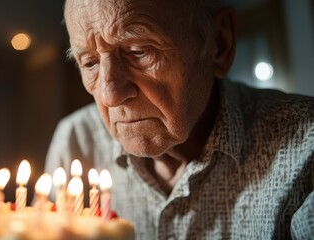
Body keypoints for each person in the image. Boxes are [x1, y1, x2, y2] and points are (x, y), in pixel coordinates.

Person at [45, 0, 314, 239]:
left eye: (138, 51)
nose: (110, 95)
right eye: (90, 63)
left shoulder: (306, 148)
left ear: (219, 43)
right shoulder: (76, 142)